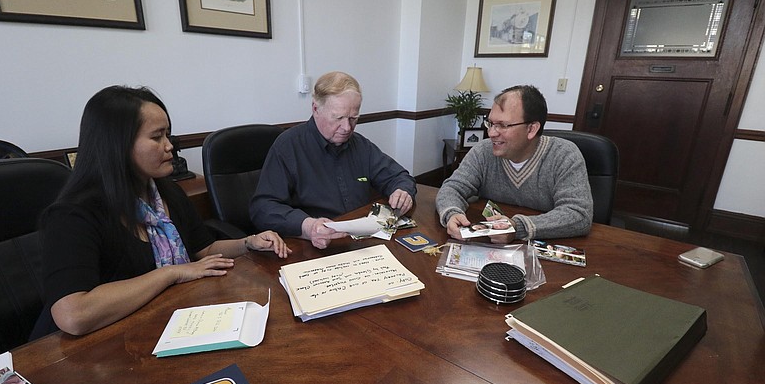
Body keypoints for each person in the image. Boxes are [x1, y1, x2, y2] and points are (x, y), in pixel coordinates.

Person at [30, 86, 291, 338]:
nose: (169, 146)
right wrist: (171, 273)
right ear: (117, 145)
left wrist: (248, 243)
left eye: (168, 135)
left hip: (166, 324)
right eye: (157, 137)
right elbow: (73, 315)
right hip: (94, 350)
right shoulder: (74, 215)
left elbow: (204, 251)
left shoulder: (164, 191)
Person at [249, 71, 417, 249]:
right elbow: (263, 208)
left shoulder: (359, 145)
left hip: (359, 241)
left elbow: (399, 176)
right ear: (315, 109)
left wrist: (402, 191)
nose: (347, 128)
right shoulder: (288, 146)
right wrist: (308, 226)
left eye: (354, 118)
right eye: (338, 118)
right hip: (312, 245)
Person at [435, 84, 593, 243]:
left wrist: (517, 227)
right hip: (489, 248)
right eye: (490, 123)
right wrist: (452, 213)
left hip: (544, 249)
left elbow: (579, 215)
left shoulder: (564, 155)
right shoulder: (483, 150)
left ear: (531, 129)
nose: (491, 133)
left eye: (503, 125)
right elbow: (452, 188)